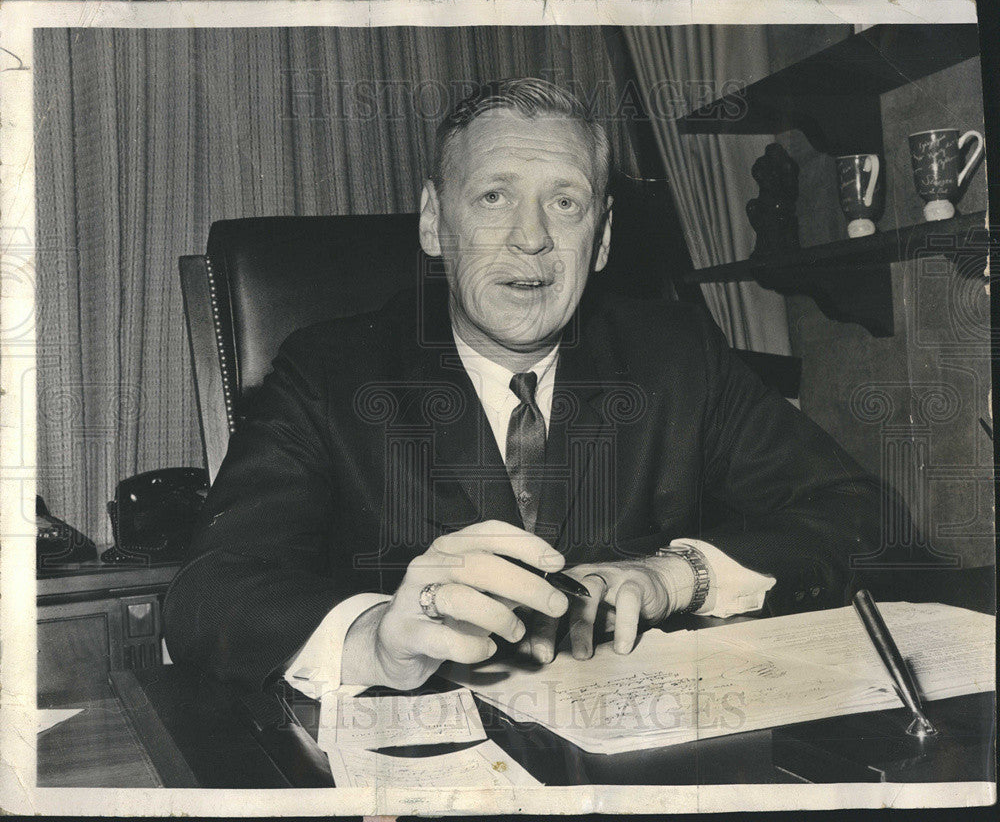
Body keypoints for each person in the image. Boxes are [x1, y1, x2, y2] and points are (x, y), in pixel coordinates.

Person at [163, 78, 885, 696]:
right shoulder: (330, 371)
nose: (531, 238)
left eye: (565, 203)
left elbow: (859, 518)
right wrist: (378, 637)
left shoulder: (676, 357)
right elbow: (208, 593)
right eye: (494, 197)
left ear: (600, 240)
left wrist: (678, 577)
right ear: (433, 223)